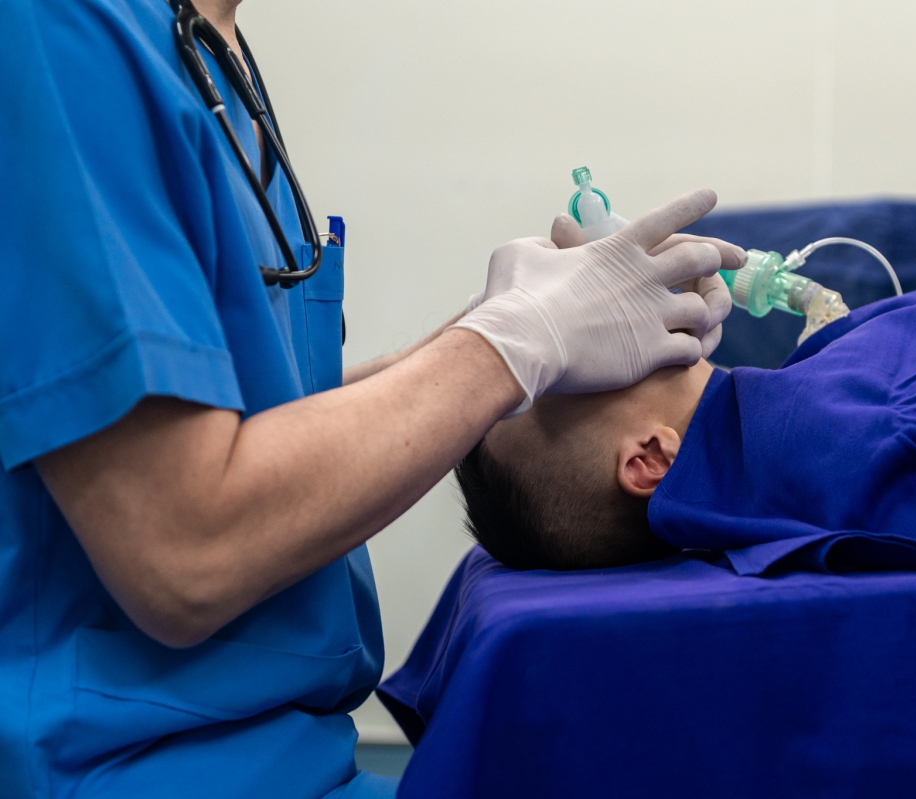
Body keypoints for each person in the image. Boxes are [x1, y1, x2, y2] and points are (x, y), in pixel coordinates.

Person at [0, 0, 746, 795]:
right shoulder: (63, 31)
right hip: (137, 765)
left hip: (293, 751)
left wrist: (500, 326)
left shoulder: (205, 48)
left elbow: (266, 418)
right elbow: (182, 548)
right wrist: (513, 341)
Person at [459, 284, 916, 576]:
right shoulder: (834, 434)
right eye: (563, 376)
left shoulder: (766, 470)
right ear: (649, 459)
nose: (583, 340)